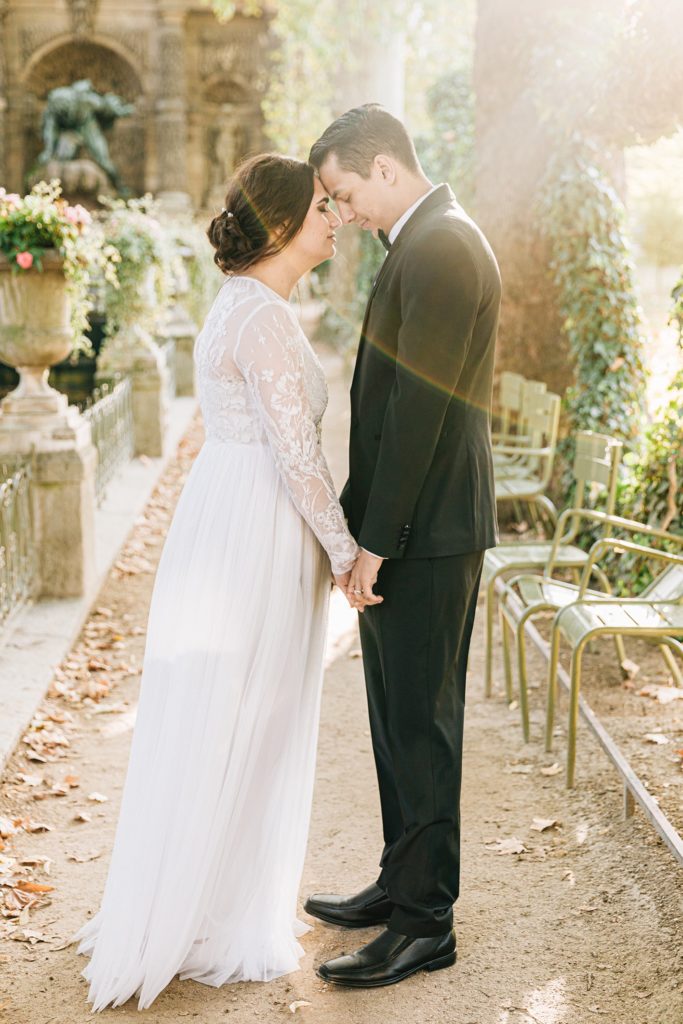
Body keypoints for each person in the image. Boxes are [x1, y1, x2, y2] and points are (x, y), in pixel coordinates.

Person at [73, 153, 368, 1011]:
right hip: (257, 524)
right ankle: (212, 912)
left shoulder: (245, 304)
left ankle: (206, 895)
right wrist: (345, 552)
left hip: (230, 509)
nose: (335, 218)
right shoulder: (263, 319)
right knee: (251, 709)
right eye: (320, 207)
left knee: (226, 709)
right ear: (277, 224)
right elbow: (298, 456)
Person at [304, 104, 501, 988]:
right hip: (405, 530)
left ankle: (427, 923)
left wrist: (375, 543)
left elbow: (418, 415)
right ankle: (399, 881)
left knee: (421, 724)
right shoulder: (420, 242)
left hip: (427, 535)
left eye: (345, 193)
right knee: (392, 720)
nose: (342, 213)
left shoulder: (445, 246)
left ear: (385, 168)